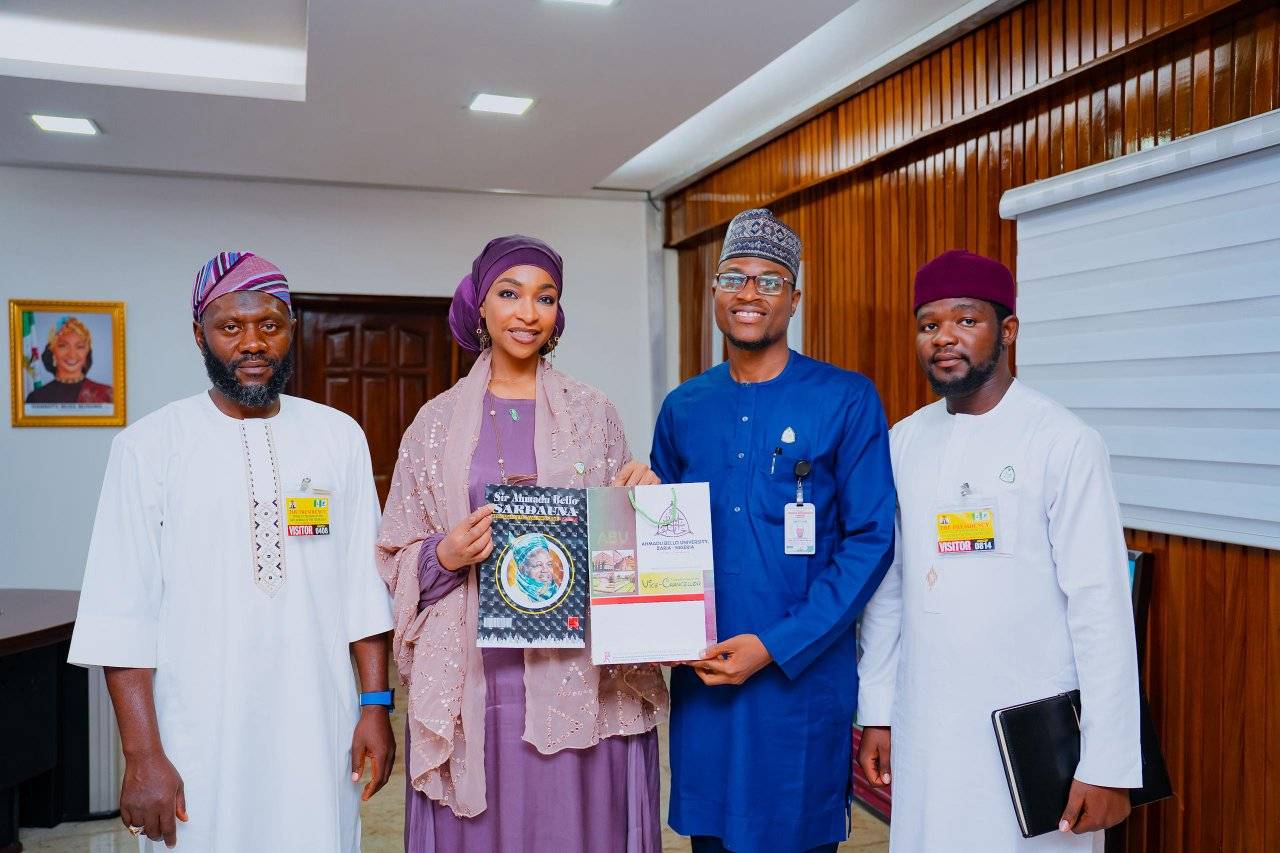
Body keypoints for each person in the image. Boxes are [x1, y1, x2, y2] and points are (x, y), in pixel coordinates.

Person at [68, 251, 395, 851]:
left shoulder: (338, 436)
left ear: (291, 329)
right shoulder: (148, 447)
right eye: (230, 327)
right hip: (196, 736)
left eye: (269, 325)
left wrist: (375, 705)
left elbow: (363, 587)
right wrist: (142, 755)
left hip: (317, 725)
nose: (252, 343)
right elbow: (122, 612)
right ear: (200, 335)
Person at [377, 235, 669, 853]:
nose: (527, 313)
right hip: (476, 679)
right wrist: (445, 555)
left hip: (578, 679)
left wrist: (640, 503)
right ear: (480, 304)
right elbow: (395, 555)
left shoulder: (594, 414)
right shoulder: (434, 424)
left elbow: (620, 553)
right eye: (510, 294)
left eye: (545, 297)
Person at [856, 249, 1142, 852]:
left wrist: (1108, 761)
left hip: (1031, 729)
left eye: (966, 320)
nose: (944, 338)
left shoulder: (1063, 442)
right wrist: (876, 710)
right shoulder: (902, 442)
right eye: (929, 324)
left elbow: (1101, 608)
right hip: (927, 724)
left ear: (1008, 330)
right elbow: (888, 588)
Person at [649, 208, 896, 853]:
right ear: (714, 291)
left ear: (794, 298)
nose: (749, 294)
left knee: (795, 834)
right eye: (734, 277)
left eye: (769, 280)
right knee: (711, 837)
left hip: (800, 677)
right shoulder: (684, 407)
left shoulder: (846, 398)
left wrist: (776, 645)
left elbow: (871, 540)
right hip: (705, 674)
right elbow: (662, 540)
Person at [25, 315, 113, 404]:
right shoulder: (36, 398)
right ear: (52, 352)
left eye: (80, 347)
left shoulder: (107, 395)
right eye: (63, 346)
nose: (72, 354)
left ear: (87, 352)